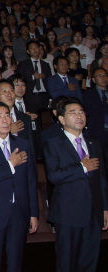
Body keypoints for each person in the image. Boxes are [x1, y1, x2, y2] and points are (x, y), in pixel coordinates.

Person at [43, 97, 108, 272]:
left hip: (93, 212)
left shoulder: (94, 143)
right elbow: (54, 176)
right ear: (62, 119)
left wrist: (104, 208)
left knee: (89, 261)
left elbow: (101, 178)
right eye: (73, 112)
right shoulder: (53, 144)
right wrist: (81, 167)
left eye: (81, 112)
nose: (79, 116)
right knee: (67, 263)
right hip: (68, 213)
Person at [0, 102, 38, 272]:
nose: (5, 119)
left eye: (7, 115)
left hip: (20, 212)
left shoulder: (23, 144)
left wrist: (33, 213)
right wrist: (10, 165)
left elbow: (31, 179)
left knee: (16, 262)